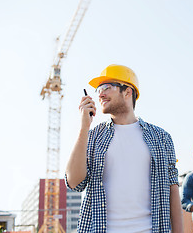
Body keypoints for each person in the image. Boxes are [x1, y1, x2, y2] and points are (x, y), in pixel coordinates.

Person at [65, 64, 183, 233]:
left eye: (106, 87)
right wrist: (84, 128)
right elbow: (74, 183)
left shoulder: (161, 138)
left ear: (127, 92)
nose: (100, 94)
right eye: (98, 90)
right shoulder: (93, 136)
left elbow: (173, 191)